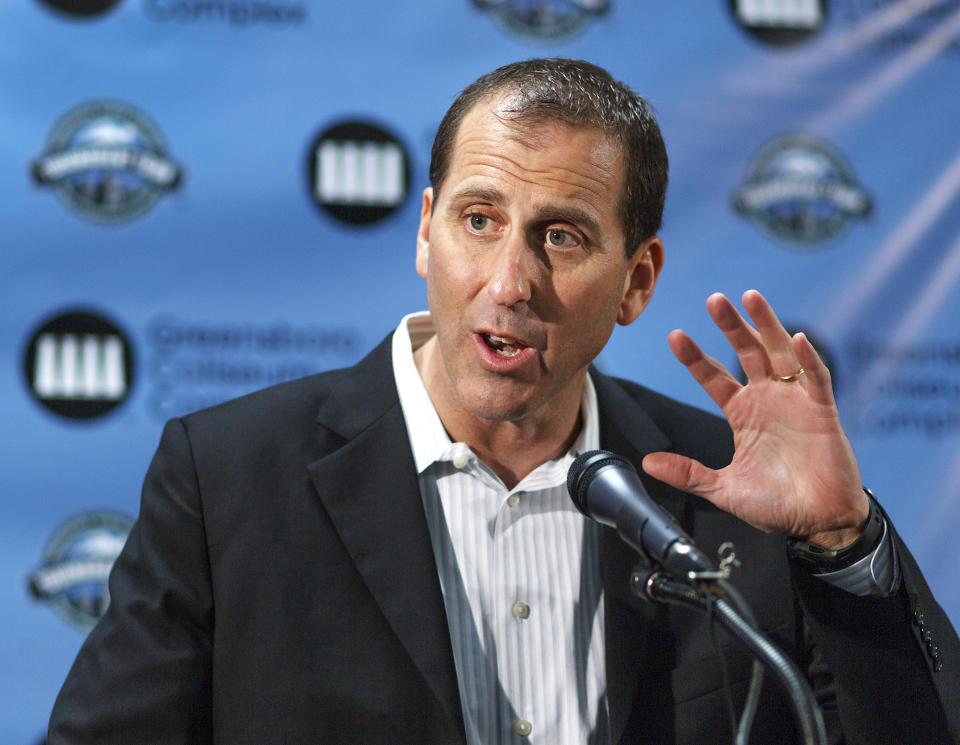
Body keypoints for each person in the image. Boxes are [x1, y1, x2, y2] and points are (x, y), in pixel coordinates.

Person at [49, 58, 959, 745]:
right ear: (425, 230)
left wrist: (842, 544)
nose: (510, 281)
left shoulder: (725, 486)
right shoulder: (229, 478)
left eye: (561, 236)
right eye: (479, 219)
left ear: (637, 281)